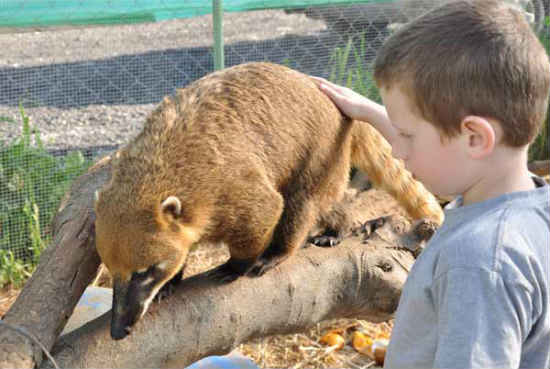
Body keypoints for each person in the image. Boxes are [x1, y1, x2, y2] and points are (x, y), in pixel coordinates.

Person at [314, 0, 550, 368]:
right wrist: (373, 114)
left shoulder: (479, 263)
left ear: (474, 138)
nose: (396, 150)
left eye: (407, 135)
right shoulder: (522, 203)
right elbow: (445, 151)